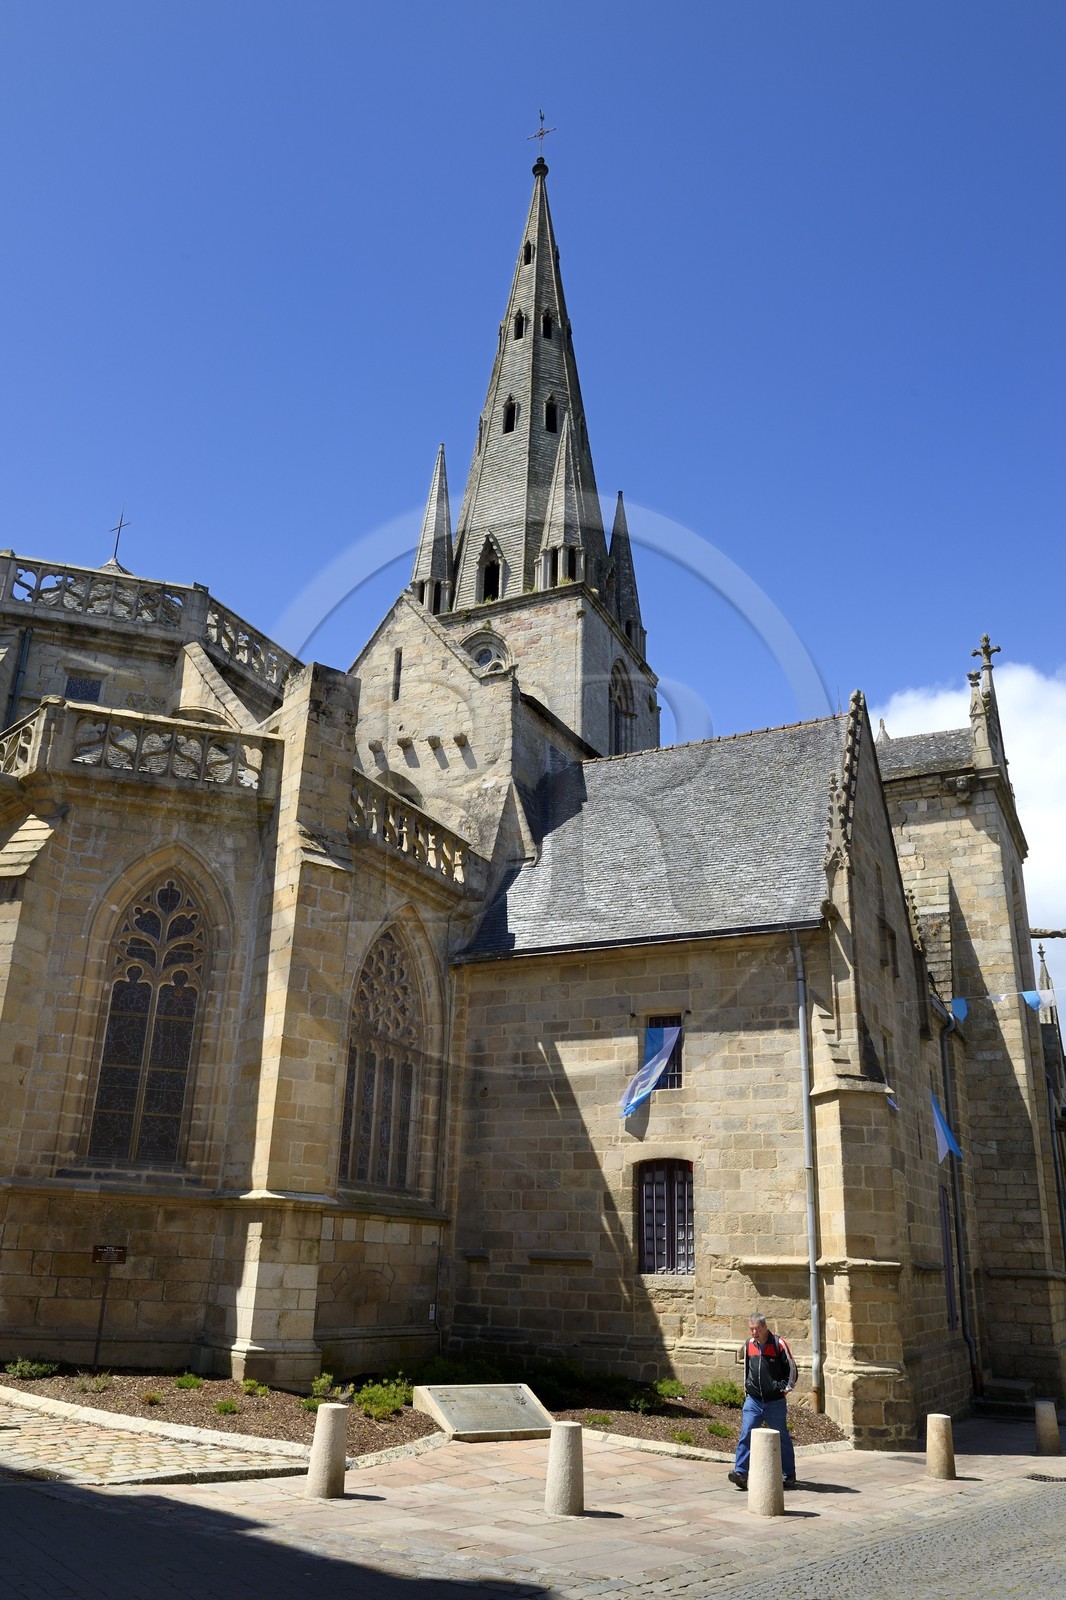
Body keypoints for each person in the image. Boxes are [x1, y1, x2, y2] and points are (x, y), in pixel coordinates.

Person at [727, 1312, 798, 1490]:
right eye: (751, 1329)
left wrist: (784, 1388)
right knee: (746, 1432)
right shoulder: (749, 1345)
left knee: (781, 1436)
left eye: (757, 1329)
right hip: (754, 1400)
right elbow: (747, 1369)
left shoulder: (778, 1344)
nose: (753, 1333)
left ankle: (788, 1473)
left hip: (775, 1402)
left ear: (765, 1327)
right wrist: (747, 1386)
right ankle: (741, 1473)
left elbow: (792, 1369)